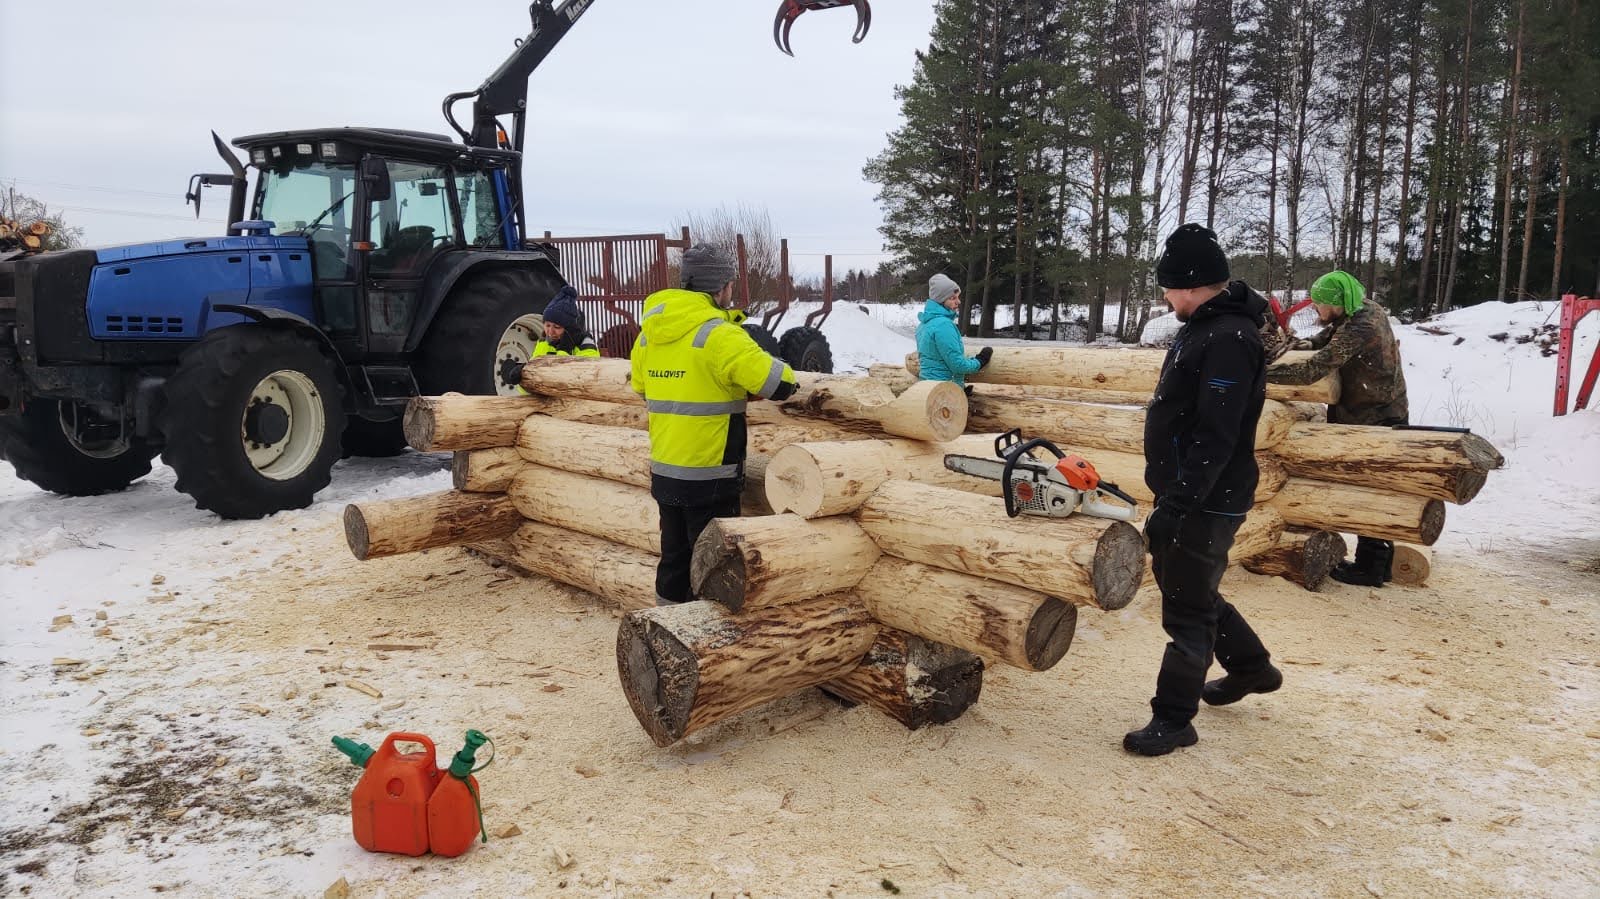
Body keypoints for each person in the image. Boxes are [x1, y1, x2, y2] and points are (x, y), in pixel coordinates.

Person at [1126, 223, 1282, 757]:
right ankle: (1252, 668)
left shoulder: (1230, 339)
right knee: (1193, 588)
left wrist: (1177, 504)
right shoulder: (1205, 326)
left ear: (1190, 285)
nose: (1165, 297)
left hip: (1207, 495)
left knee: (1185, 607)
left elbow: (1216, 437)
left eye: (1167, 288)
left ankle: (1174, 718)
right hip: (1190, 490)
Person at [630, 244, 799, 605]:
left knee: (674, 560)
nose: (732, 291)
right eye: (730, 284)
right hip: (710, 476)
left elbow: (642, 387)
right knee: (713, 567)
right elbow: (780, 384)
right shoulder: (720, 337)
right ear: (720, 288)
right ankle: (705, 642)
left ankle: (666, 630)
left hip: (665, 472)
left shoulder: (648, 336)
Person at [1273, 270, 1410, 587]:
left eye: (1320, 304)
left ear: (1336, 302)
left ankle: (1370, 567)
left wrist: (1264, 374)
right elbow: (1332, 337)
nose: (1317, 310)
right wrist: (1308, 341)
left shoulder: (1363, 324)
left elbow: (1315, 369)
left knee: (1370, 487)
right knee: (1375, 486)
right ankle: (1379, 563)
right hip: (1373, 409)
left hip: (1374, 416)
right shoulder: (1362, 309)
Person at [916, 274, 993, 388]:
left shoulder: (924, 324)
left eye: (958, 297)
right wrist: (980, 361)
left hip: (927, 387)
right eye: (952, 298)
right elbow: (958, 366)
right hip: (944, 389)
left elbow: (934, 362)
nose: (958, 302)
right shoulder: (943, 325)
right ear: (941, 300)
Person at [534, 286, 601, 358]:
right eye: (547, 325)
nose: (550, 332)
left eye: (557, 327)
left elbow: (561, 368)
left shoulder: (586, 346)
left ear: (569, 328)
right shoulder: (543, 342)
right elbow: (534, 366)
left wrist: (564, 350)